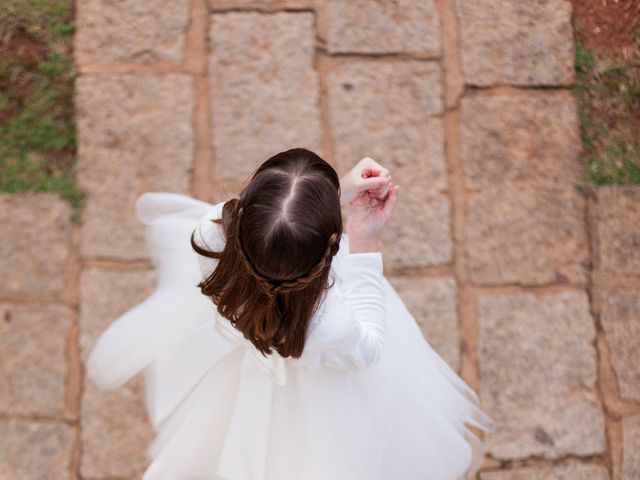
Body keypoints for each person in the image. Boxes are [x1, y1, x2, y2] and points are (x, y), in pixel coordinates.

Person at [86, 147, 495, 480]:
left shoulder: (210, 234)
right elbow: (369, 348)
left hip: (243, 357)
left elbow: (283, 236)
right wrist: (365, 240)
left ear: (246, 208)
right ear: (331, 247)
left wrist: (334, 204)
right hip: (324, 398)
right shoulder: (331, 323)